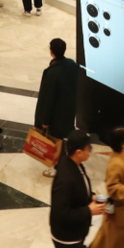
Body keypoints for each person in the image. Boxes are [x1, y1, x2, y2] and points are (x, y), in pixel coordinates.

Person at [50, 129, 105, 248]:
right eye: (89, 148)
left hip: (72, 235)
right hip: (68, 239)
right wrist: (89, 210)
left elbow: (80, 189)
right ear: (79, 152)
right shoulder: (66, 178)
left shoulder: (75, 165)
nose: (91, 151)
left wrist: (92, 197)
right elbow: (61, 214)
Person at [35, 38, 79, 178]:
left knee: (56, 139)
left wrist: (45, 119)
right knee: (63, 136)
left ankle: (58, 166)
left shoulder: (52, 73)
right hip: (69, 108)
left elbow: (48, 98)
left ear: (51, 51)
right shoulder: (72, 65)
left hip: (56, 113)